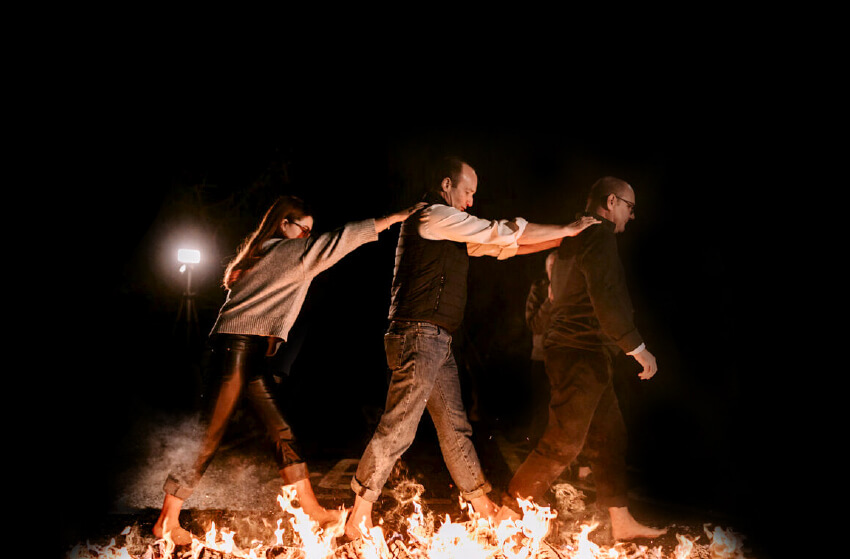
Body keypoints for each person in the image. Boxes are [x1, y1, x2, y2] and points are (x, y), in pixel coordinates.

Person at [344, 156, 599, 539]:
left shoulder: (451, 230)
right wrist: (566, 227)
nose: (471, 201)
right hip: (418, 334)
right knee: (399, 426)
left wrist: (564, 239)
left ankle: (483, 508)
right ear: (447, 184)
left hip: (436, 339)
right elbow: (500, 231)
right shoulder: (433, 216)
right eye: (468, 192)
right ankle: (358, 516)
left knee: (454, 428)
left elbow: (504, 247)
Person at [153, 194, 425, 545]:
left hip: (246, 352)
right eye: (303, 229)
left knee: (281, 431)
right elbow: (339, 240)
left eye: (311, 231)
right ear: (284, 224)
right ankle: (166, 521)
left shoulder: (263, 253)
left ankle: (310, 510)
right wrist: (395, 217)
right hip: (236, 349)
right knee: (210, 435)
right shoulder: (287, 251)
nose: (307, 237)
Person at [505, 176, 667, 541]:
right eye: (629, 206)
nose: (632, 215)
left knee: (610, 437)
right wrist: (638, 348)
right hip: (581, 352)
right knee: (563, 442)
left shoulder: (576, 236)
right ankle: (505, 513)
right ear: (611, 202)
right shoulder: (598, 236)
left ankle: (622, 521)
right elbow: (605, 299)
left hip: (581, 351)